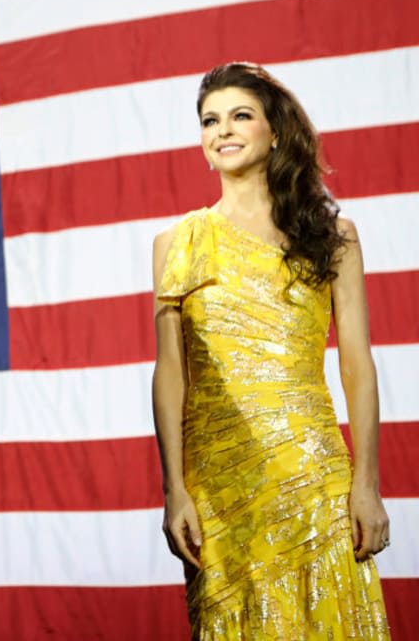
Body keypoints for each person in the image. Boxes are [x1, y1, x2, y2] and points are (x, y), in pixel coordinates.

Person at [151, 62, 391, 638]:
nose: (222, 130)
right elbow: (170, 375)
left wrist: (367, 483)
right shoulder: (176, 242)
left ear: (274, 131)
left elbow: (356, 364)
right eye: (210, 121)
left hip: (314, 478)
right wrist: (174, 491)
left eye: (240, 116)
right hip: (219, 490)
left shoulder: (334, 235)